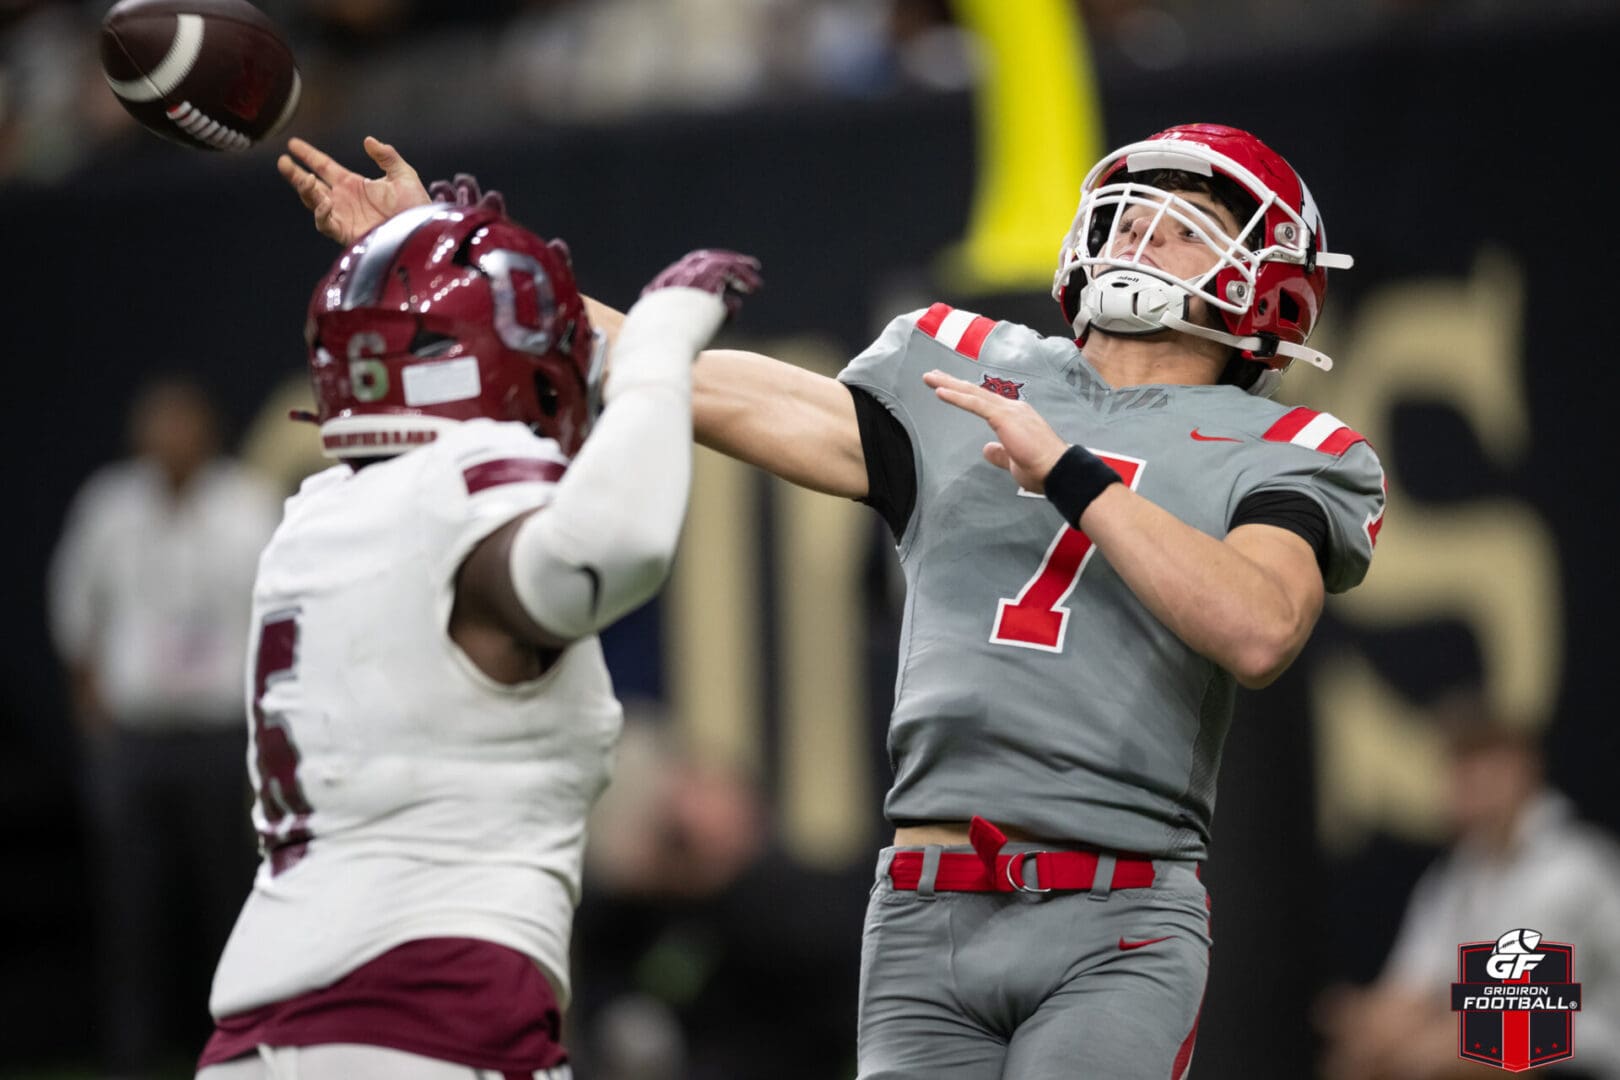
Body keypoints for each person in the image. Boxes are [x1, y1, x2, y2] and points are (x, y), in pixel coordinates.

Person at [277, 120, 1384, 1079]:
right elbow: (696, 382)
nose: (1141, 232)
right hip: (924, 901)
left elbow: (1258, 628)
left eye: (1186, 222)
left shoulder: (1289, 447)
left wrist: (1071, 474)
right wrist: (447, 253)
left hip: (1116, 913)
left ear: (1269, 279)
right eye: (1133, 210)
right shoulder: (968, 365)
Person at [192, 189, 762, 1079]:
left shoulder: (314, 518)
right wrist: (653, 353)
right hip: (431, 1013)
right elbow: (609, 549)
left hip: (253, 1035)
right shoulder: (461, 485)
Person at [47, 375, 281, 1077]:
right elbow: (75, 610)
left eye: (183, 425)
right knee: (132, 906)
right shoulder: (109, 506)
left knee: (233, 899)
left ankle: (238, 1048)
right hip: (137, 737)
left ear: (208, 431)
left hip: (222, 737)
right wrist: (94, 714)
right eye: (158, 425)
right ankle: (133, 1054)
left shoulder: (248, 504)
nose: (170, 440)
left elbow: (277, 610)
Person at [1316, 691, 1620, 1080]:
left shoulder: (1573, 869)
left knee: (1441, 1061)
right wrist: (1369, 1023)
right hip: (1502, 1041)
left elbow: (1524, 1021)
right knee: (1359, 1057)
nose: (1469, 782)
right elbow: (1412, 989)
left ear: (1524, 769)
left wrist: (1418, 1043)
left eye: (1483, 764)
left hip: (1579, 1063)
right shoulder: (1454, 878)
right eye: (1459, 766)